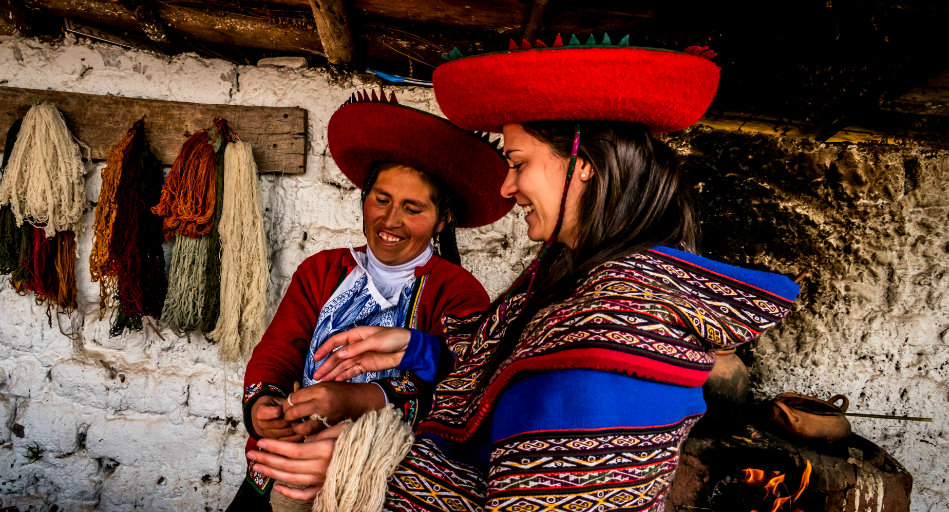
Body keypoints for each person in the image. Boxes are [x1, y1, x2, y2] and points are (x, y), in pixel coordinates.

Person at [246, 38, 801, 511]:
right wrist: (412, 347)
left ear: (583, 163)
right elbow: (498, 382)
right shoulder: (567, 284)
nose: (508, 188)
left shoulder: (619, 319)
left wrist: (362, 460)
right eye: (380, 200)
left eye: (517, 163)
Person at [227, 90, 514, 509]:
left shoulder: (456, 290)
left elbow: (458, 383)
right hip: (293, 463)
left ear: (442, 219)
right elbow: (278, 349)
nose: (390, 220)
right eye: (381, 200)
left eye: (412, 208)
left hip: (381, 478)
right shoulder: (323, 272)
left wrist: (357, 400)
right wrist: (262, 404)